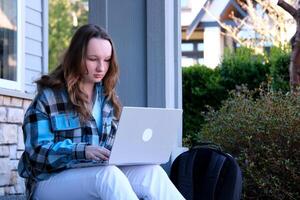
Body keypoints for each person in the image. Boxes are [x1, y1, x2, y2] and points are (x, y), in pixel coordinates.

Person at [18, 24, 185, 200]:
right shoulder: (49, 98)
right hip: (48, 181)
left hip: (94, 172)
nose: (101, 68)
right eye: (93, 59)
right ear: (77, 57)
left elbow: (112, 148)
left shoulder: (106, 99)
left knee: (152, 173)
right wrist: (82, 150)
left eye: (106, 60)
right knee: (107, 176)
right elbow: (36, 152)